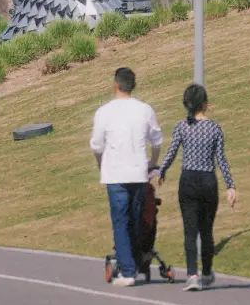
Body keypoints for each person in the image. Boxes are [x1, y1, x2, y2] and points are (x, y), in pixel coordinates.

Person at [159, 82, 237, 292]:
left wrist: (162, 170)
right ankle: (207, 272)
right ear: (205, 104)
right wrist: (230, 186)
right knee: (207, 231)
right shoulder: (214, 128)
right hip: (208, 181)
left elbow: (172, 151)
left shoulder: (182, 126)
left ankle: (192, 275)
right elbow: (221, 159)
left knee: (189, 231)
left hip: (188, 181)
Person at [90, 66, 163, 286]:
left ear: (115, 85)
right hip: (138, 172)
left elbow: (96, 145)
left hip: (115, 174)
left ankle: (128, 271)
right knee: (135, 219)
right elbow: (157, 140)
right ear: (133, 86)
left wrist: (101, 165)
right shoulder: (144, 110)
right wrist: (152, 162)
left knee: (121, 221)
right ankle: (134, 262)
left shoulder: (104, 112)